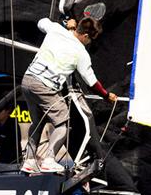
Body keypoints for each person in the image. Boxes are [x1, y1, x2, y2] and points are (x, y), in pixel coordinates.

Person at [21, 16, 117, 173]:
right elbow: (91, 82)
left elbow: (41, 22)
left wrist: (66, 26)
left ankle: (30, 161)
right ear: (86, 36)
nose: (90, 43)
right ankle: (49, 160)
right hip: (44, 86)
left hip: (27, 81)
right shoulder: (81, 52)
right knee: (63, 122)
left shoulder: (56, 29)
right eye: (90, 40)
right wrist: (106, 96)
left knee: (38, 122)